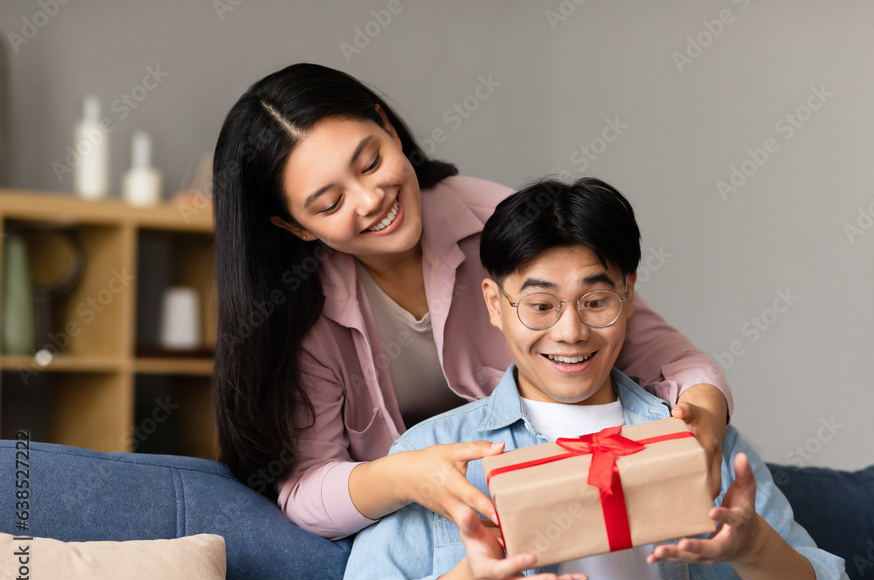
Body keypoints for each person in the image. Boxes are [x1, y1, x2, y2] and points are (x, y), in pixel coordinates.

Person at [325, 178, 860, 580]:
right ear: (494, 303)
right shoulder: (435, 458)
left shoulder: (696, 438)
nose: (570, 331)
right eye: (539, 306)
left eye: (595, 300)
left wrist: (754, 548)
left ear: (628, 296)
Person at [212, 63, 733, 540]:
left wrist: (705, 413)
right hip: (411, 530)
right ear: (294, 226)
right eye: (331, 203)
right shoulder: (295, 310)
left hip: (550, 497)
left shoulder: (497, 223)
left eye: (370, 162)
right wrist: (406, 476)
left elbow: (669, 359)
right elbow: (307, 489)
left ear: (388, 128)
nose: (372, 200)